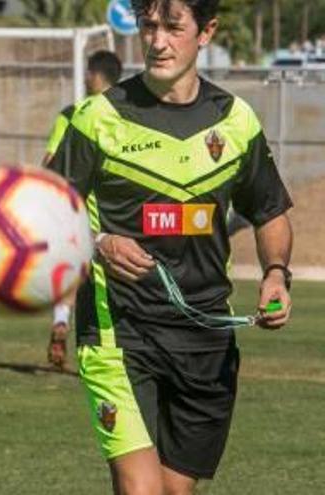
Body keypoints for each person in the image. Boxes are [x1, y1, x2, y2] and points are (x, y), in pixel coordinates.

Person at [48, 1, 293, 493]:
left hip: (206, 339)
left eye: (173, 27)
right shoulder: (97, 119)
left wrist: (275, 274)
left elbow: (269, 211)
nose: (158, 42)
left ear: (206, 32)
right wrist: (97, 242)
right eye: (149, 27)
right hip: (121, 332)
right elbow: (41, 213)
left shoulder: (237, 122)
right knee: (142, 490)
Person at [41, 50, 123, 370]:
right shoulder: (127, 115)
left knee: (72, 275)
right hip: (117, 218)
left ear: (93, 75)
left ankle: (63, 321)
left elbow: (51, 162)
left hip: (77, 215)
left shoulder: (74, 113)